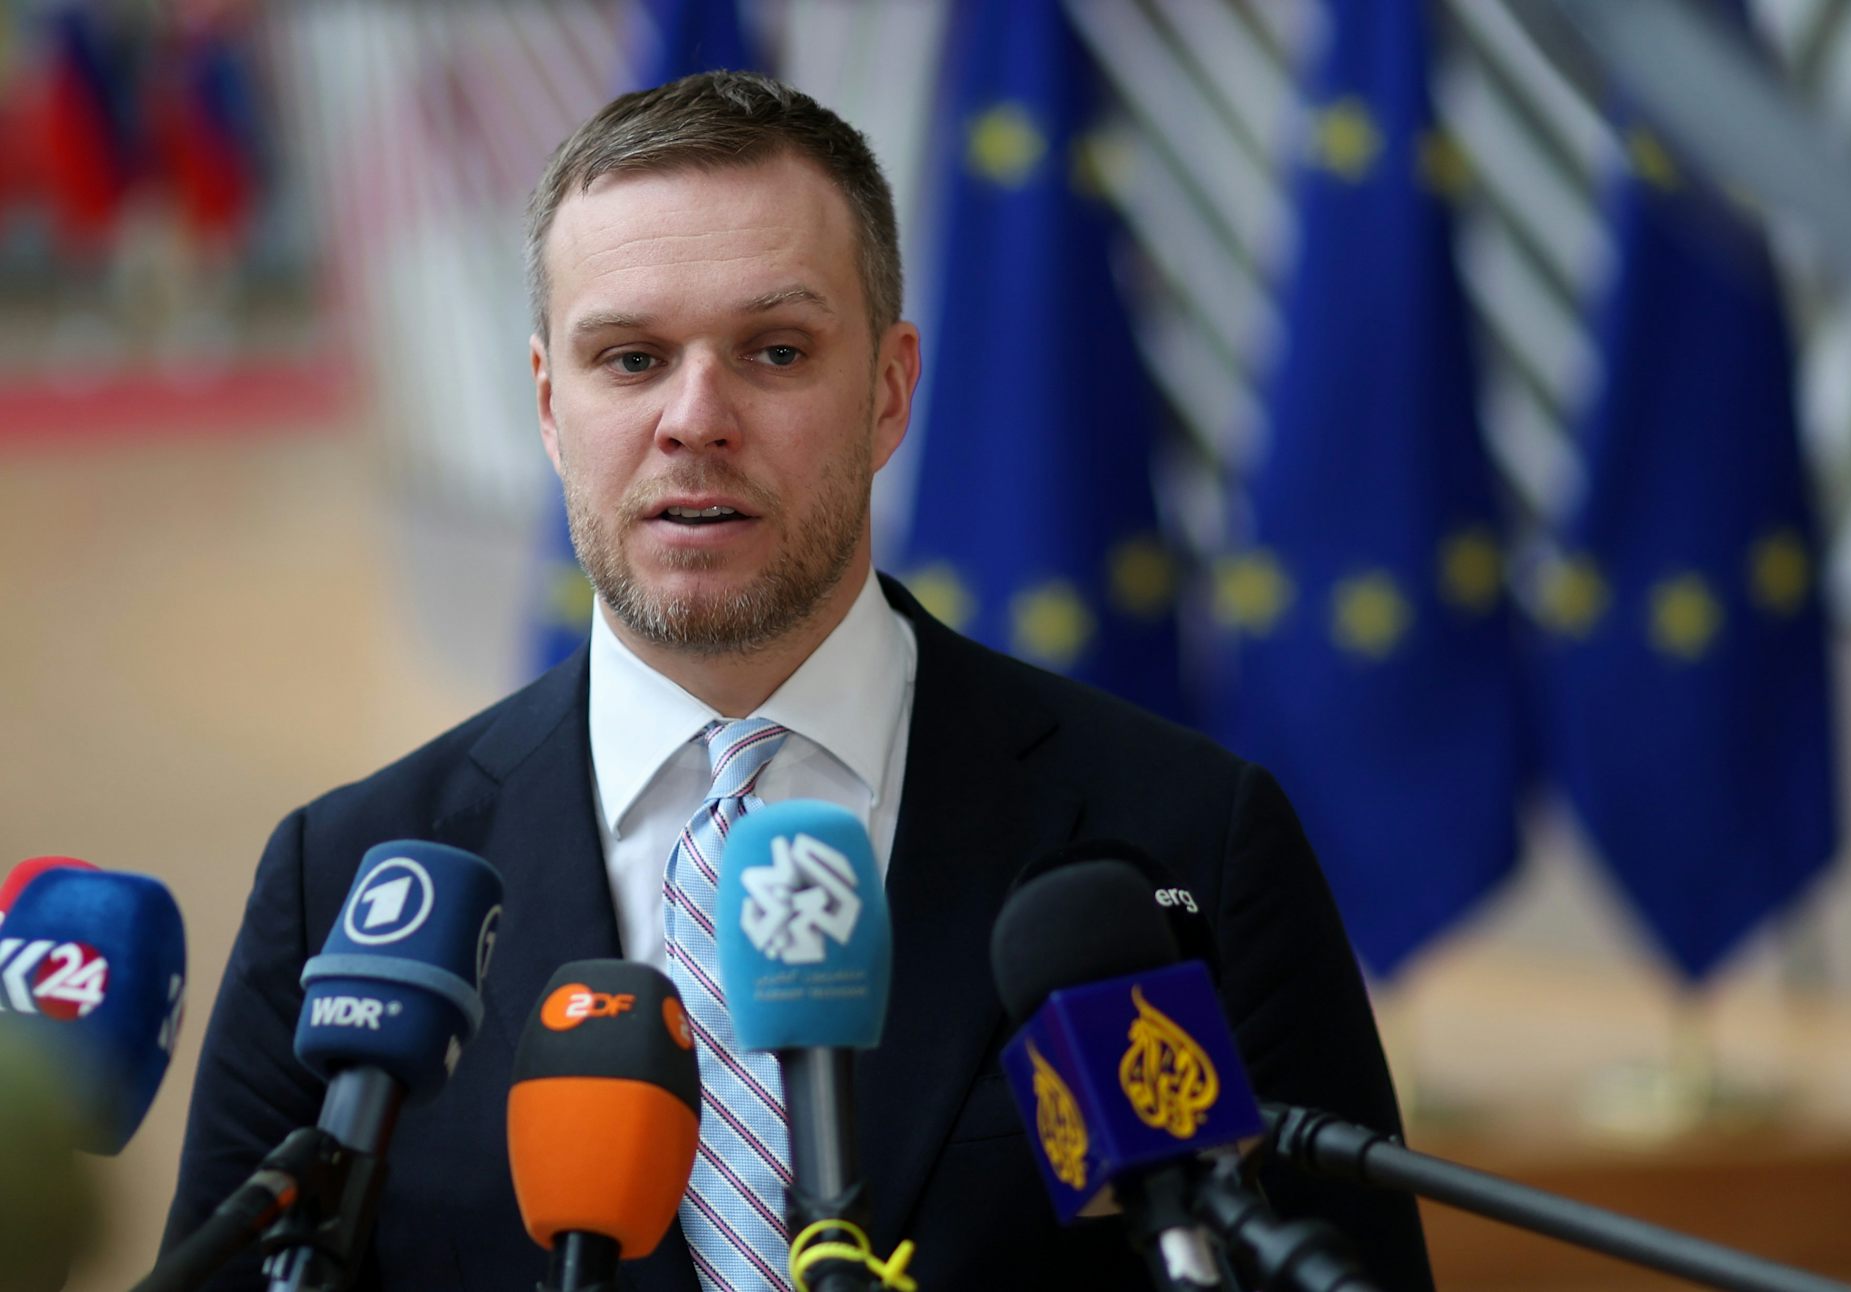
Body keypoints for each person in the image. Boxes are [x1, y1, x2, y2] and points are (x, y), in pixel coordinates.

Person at [164, 71, 1433, 1291]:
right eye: (629, 358)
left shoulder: (1188, 840)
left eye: (774, 351)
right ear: (548, 405)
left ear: (888, 391)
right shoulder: (347, 886)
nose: (696, 416)